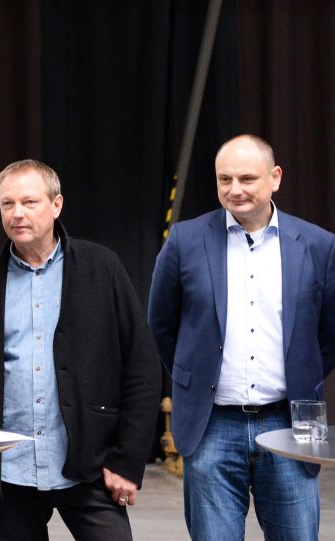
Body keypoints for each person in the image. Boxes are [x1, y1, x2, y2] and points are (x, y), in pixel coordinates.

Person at [0, 159, 161, 540]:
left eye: (29, 202)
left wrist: (128, 460)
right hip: (10, 470)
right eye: (7, 204)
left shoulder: (101, 267)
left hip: (90, 466)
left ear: (56, 205)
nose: (17, 213)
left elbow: (142, 367)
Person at [148, 134, 335, 540]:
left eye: (247, 178)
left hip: (288, 424)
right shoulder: (184, 241)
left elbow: (329, 332)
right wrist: (193, 377)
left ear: (276, 178)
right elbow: (162, 323)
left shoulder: (319, 246)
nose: (235, 190)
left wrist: (304, 371)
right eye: (225, 179)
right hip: (212, 424)